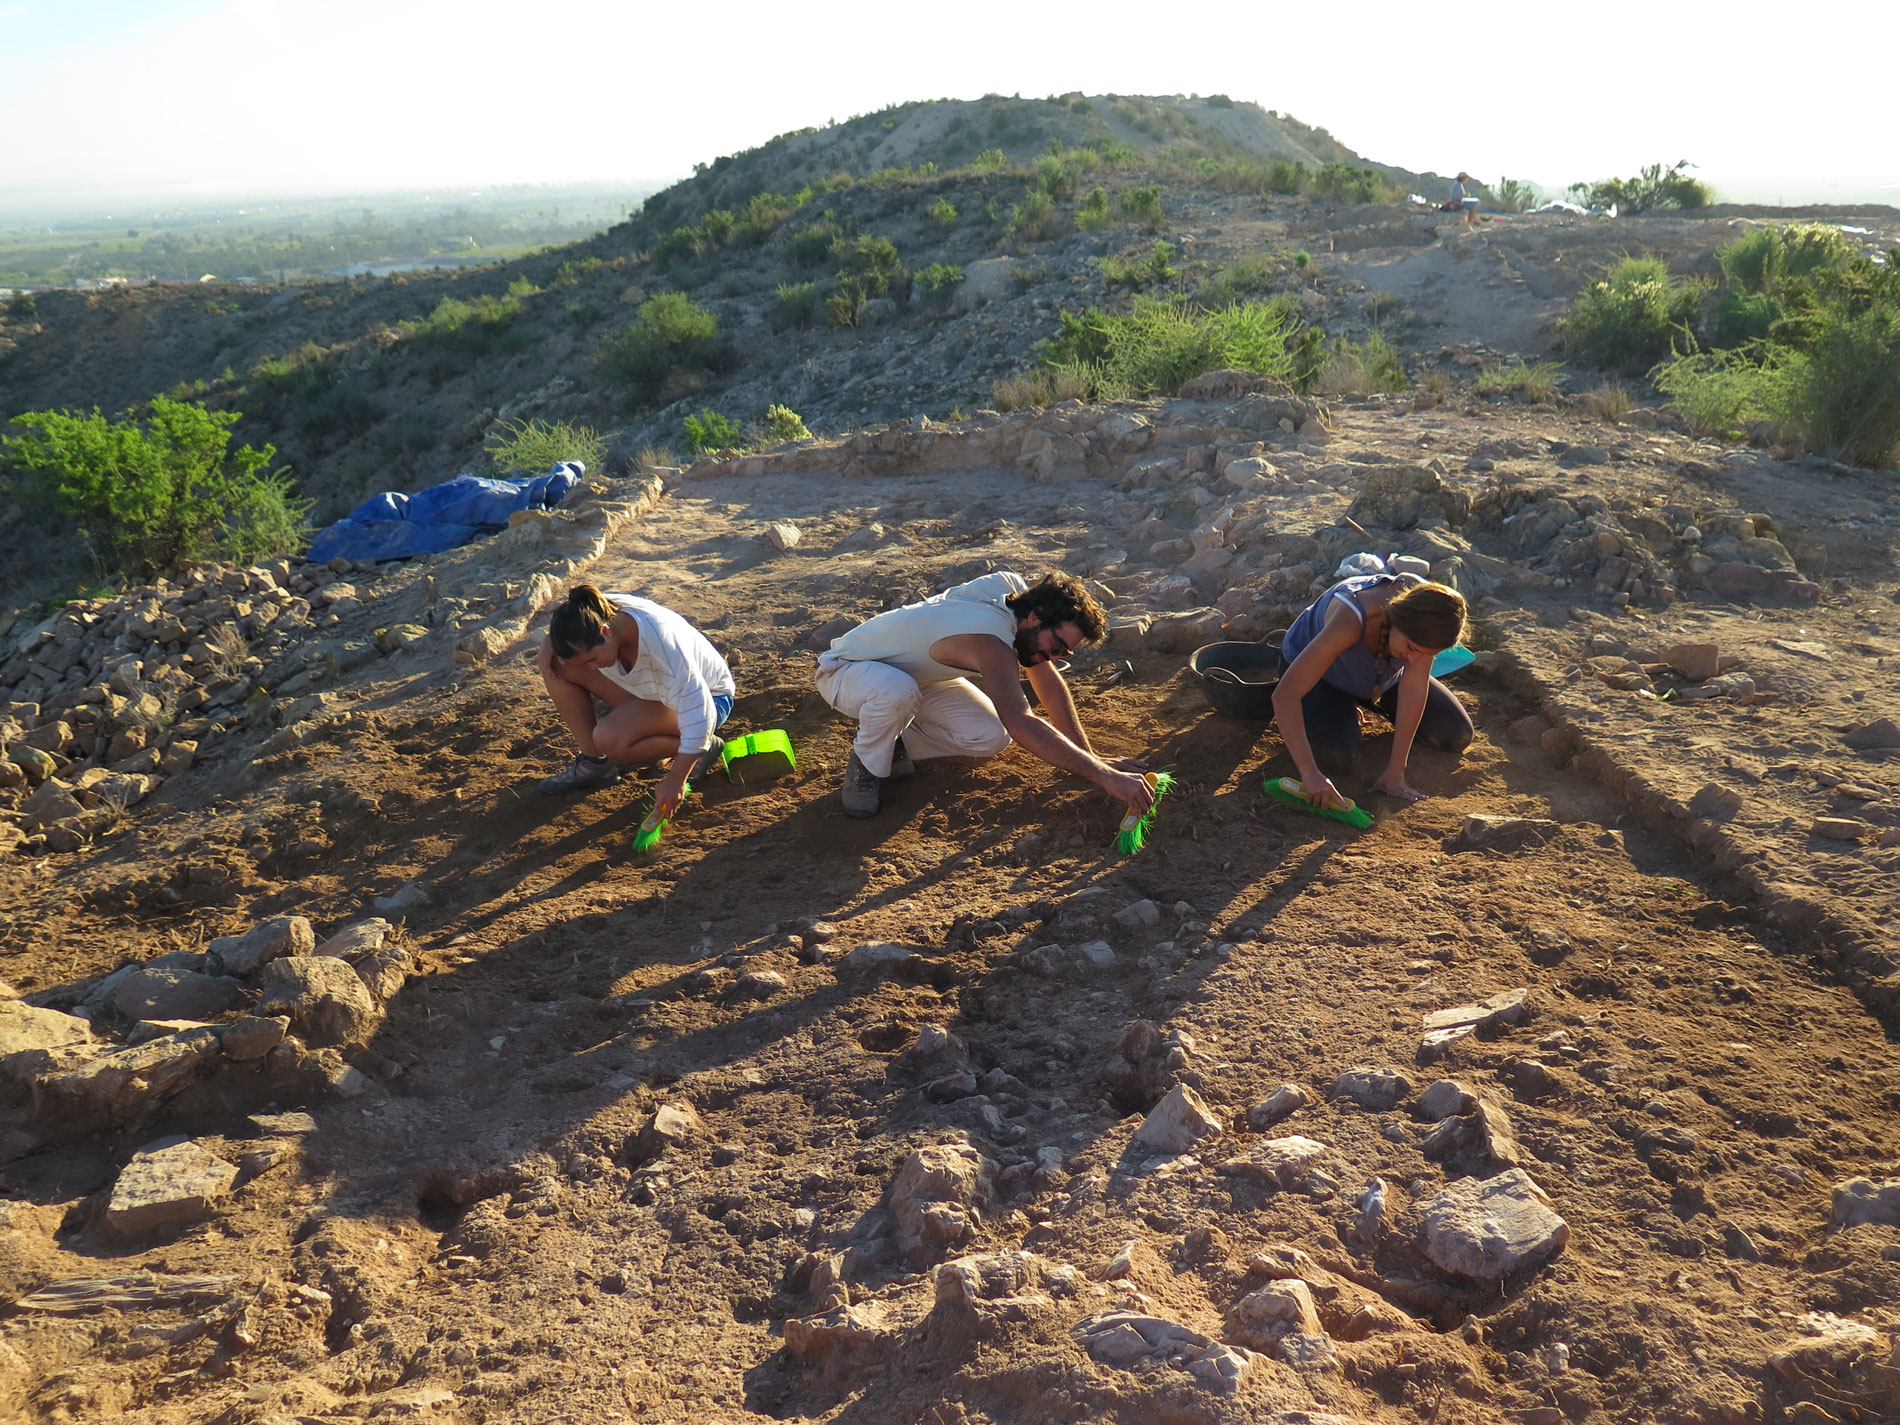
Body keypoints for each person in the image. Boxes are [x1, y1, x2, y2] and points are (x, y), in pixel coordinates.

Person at [815, 569, 1155, 819]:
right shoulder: (992, 642)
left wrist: (1091, 757)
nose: (1055, 657)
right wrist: (1103, 776)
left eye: (1064, 654)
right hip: (847, 671)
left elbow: (1047, 683)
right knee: (896, 691)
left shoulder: (1011, 591)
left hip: (917, 678)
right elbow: (1022, 722)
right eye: (1057, 646)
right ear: (1035, 617)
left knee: (990, 735)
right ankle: (867, 762)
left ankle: (894, 743)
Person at [1270, 572, 1473, 809]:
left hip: (1378, 676)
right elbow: (1285, 696)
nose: (1415, 659)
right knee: (1338, 756)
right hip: (1322, 675)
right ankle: (1339, 706)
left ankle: (1354, 702)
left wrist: (1396, 772)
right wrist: (1310, 773)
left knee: (1456, 734)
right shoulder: (1351, 617)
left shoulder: (1430, 619)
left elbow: (1414, 691)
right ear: (1396, 621)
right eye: (1411, 647)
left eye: (1427, 654)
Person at [535, 586, 736, 823]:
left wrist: (676, 779)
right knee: (559, 667)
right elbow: (570, 624)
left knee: (609, 737)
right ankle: (594, 764)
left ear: (605, 632)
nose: (589, 667)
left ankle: (700, 748)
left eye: (593, 659)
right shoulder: (594, 611)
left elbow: (700, 712)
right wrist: (548, 644)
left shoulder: (663, 646)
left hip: (710, 699)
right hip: (654, 692)